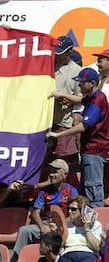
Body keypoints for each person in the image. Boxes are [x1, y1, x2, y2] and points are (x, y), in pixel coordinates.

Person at [47, 67, 109, 208]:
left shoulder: (98, 100)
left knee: (92, 190)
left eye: (82, 83)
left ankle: (96, 223)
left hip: (95, 151)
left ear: (92, 83)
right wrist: (60, 94)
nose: (79, 85)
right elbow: (80, 99)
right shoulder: (93, 97)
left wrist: (57, 134)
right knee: (86, 191)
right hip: (90, 150)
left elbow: (83, 126)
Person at [11, 159, 78, 262]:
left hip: (64, 226)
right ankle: (15, 261)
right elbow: (36, 212)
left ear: (65, 174)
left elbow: (76, 213)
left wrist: (61, 224)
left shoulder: (71, 191)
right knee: (24, 230)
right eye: (50, 171)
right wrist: (42, 227)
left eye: (55, 171)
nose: (51, 174)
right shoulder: (44, 191)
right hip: (46, 224)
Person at [49, 36, 82, 163]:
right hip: (45, 120)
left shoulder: (77, 71)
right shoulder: (47, 65)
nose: (57, 56)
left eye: (60, 53)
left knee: (62, 159)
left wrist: (68, 99)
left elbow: (81, 97)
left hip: (63, 122)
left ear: (69, 52)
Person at [62, 195, 102, 262]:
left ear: (83, 211)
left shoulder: (95, 225)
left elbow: (96, 247)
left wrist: (87, 229)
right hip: (68, 254)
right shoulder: (66, 226)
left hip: (88, 254)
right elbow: (60, 247)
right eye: (68, 208)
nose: (69, 211)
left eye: (73, 209)